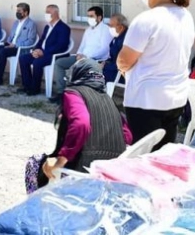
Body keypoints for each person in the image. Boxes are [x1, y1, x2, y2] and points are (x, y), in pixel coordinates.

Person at [117, 0, 195, 150]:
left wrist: (123, 68)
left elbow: (124, 60)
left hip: (146, 100)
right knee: (163, 155)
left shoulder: (147, 19)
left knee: (143, 155)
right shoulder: (185, 16)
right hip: (176, 97)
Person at [25, 59, 128, 194]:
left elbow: (81, 123)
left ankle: (35, 203)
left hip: (84, 170)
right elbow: (127, 135)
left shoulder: (74, 93)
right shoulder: (108, 100)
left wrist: (61, 160)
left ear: (78, 73)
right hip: (111, 171)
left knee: (34, 163)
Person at [50, 6, 109, 103]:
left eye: (91, 16)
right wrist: (79, 54)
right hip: (81, 58)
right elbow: (82, 45)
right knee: (59, 63)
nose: (89, 18)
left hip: (94, 59)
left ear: (99, 17)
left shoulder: (105, 30)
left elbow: (104, 49)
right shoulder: (88, 29)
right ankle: (61, 93)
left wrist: (87, 57)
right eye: (88, 16)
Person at [0, 2, 37, 87]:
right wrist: (8, 43)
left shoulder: (31, 24)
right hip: (10, 45)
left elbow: (31, 41)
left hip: (20, 48)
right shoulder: (16, 22)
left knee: (2, 51)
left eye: (19, 11)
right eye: (17, 10)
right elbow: (11, 36)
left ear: (26, 12)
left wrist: (15, 44)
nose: (17, 13)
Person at [19, 5, 71, 96]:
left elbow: (61, 46)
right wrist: (36, 50)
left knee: (37, 62)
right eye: (46, 12)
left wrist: (43, 52)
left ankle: (35, 88)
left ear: (56, 14)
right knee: (23, 58)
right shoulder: (47, 27)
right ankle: (27, 86)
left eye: (48, 12)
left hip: (54, 55)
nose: (46, 14)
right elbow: (41, 41)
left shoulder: (64, 28)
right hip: (42, 52)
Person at [102, 13, 129, 83]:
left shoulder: (126, 40)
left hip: (119, 75)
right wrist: (105, 63)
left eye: (111, 26)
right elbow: (113, 57)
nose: (109, 28)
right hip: (113, 69)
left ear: (121, 27)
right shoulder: (117, 37)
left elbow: (124, 62)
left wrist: (106, 66)